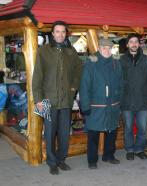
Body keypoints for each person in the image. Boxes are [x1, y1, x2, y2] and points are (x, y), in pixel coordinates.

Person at [32, 21, 82, 175]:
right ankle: (52, 162)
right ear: (52, 34)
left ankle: (61, 159)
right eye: (57, 31)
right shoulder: (44, 51)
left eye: (63, 32)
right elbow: (37, 76)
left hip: (66, 100)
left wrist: (73, 88)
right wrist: (38, 100)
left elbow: (78, 71)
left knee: (64, 133)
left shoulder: (71, 51)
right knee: (50, 133)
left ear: (66, 33)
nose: (60, 34)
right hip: (47, 100)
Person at [79, 38, 123, 169]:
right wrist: (85, 106)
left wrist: (120, 101)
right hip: (96, 106)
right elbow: (84, 86)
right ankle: (92, 160)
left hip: (113, 105)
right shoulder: (91, 64)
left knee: (111, 132)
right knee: (93, 135)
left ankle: (108, 155)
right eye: (104, 48)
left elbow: (121, 84)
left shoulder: (116, 64)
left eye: (109, 48)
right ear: (99, 48)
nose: (107, 51)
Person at [120, 33, 147, 160]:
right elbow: (118, 81)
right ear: (127, 44)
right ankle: (129, 149)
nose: (134, 44)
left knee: (142, 127)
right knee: (128, 127)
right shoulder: (121, 60)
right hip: (126, 101)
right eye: (131, 42)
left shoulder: (146, 60)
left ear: (139, 44)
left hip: (143, 100)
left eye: (136, 41)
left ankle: (139, 149)